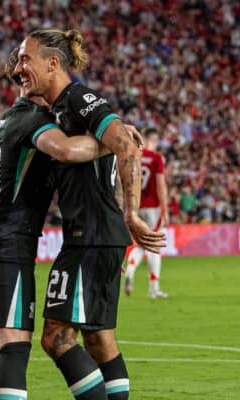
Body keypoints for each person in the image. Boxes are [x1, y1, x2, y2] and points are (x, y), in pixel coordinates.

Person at [0, 47, 114, 400]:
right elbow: (68, 151)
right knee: (14, 347)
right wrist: (112, 141)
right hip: (6, 244)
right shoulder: (28, 118)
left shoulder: (22, 117)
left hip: (4, 242)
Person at [14, 29, 165, 400]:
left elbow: (126, 146)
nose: (18, 68)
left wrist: (131, 213)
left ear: (52, 64)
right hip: (96, 235)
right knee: (98, 340)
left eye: (25, 59)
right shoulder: (61, 109)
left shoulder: (79, 98)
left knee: (55, 338)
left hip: (92, 236)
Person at [125, 128, 169, 299]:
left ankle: (130, 269)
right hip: (153, 208)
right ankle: (154, 288)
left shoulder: (133, 156)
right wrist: (164, 209)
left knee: (142, 244)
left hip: (136, 206)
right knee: (154, 245)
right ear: (154, 140)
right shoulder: (157, 158)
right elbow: (160, 186)